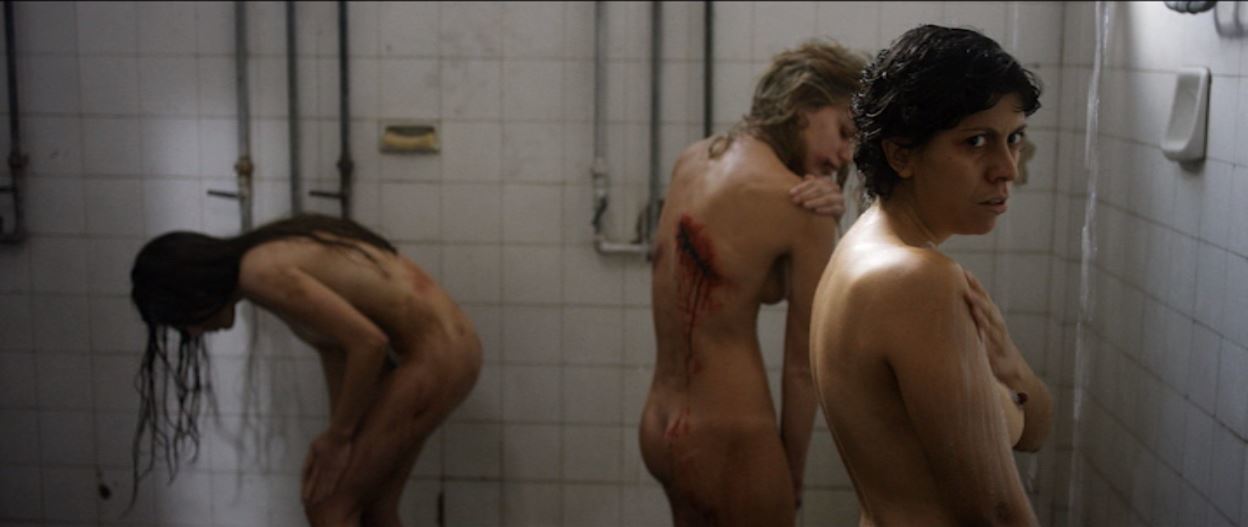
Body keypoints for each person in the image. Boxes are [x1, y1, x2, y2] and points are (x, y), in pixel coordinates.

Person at [810, 25, 1053, 526]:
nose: (1007, 168)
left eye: (1013, 138)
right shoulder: (917, 280)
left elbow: (1035, 431)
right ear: (901, 154)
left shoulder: (861, 249)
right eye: (976, 141)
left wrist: (1009, 362)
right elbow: (996, 511)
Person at [129, 213, 481, 527]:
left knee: (328, 507)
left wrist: (340, 438)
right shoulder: (262, 256)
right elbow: (338, 349)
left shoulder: (258, 273)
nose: (192, 333)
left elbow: (368, 344)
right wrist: (340, 438)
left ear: (190, 290)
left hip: (438, 354)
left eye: (181, 320)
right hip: (445, 349)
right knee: (374, 508)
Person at [640, 39, 866, 525]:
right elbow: (803, 368)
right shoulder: (800, 205)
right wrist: (792, 474)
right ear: (802, 105)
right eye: (844, 131)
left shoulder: (691, 161)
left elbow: (739, 279)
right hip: (731, 437)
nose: (845, 154)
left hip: (660, 424)